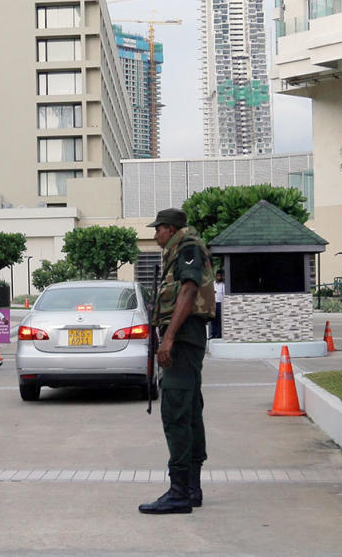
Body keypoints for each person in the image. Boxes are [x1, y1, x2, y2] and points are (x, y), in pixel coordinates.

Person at [139, 208, 215, 515]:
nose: (155, 234)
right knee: (191, 409)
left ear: (169, 229)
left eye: (157, 229)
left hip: (183, 339)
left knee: (176, 411)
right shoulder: (181, 249)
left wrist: (168, 338)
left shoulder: (186, 248)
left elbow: (188, 289)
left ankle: (179, 492)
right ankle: (192, 488)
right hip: (187, 337)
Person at [210, 270, 225, 339]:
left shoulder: (223, 285)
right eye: (217, 276)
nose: (218, 277)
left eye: (220, 276)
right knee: (213, 319)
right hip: (213, 303)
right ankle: (213, 333)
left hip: (220, 303)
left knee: (219, 319)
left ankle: (218, 334)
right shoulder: (213, 284)